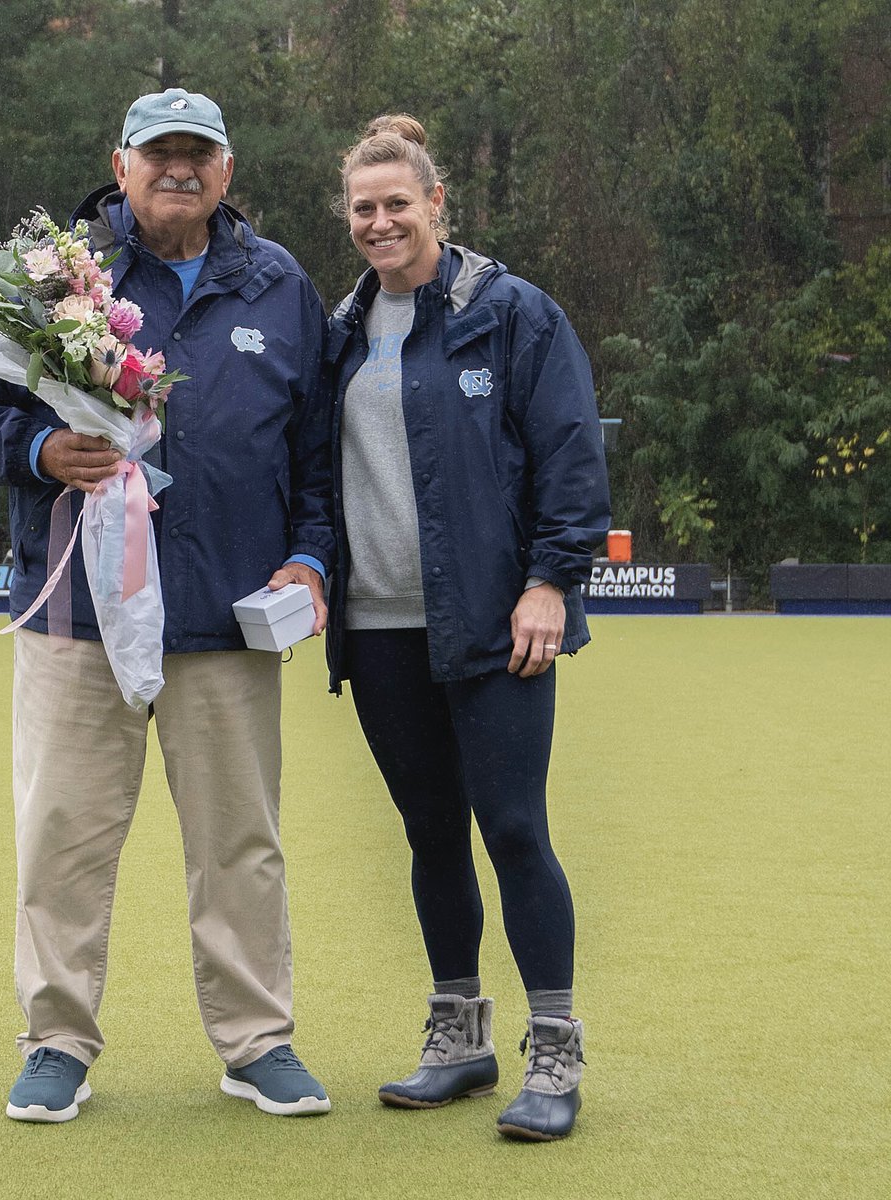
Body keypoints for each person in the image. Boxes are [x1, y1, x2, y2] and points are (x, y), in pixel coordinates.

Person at [0, 88, 334, 1124]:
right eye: (159, 155)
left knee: (242, 843)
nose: (179, 170)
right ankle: (56, 1042)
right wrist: (35, 451)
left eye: (199, 154)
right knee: (60, 836)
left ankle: (256, 1042)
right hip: (81, 619)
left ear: (228, 171)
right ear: (121, 166)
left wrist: (309, 559)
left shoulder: (279, 285)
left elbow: (316, 460)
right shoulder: (53, 277)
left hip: (227, 621)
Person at [325, 114, 610, 1141]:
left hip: (496, 628)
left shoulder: (516, 316)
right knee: (431, 834)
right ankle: (460, 1038)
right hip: (382, 631)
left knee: (516, 831)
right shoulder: (342, 333)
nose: (380, 221)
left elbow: (571, 458)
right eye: (363, 208)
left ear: (438, 204)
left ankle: (557, 1050)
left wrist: (551, 583)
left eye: (398, 202)